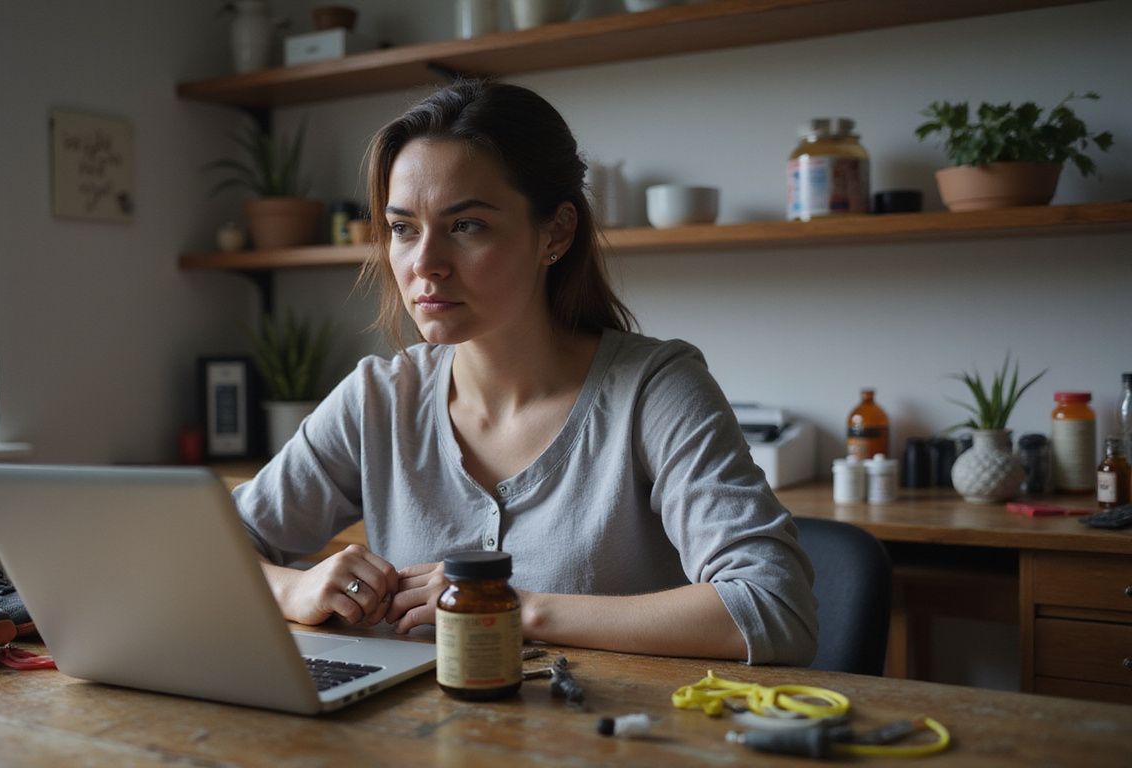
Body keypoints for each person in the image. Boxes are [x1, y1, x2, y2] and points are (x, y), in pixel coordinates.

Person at [233, 80, 816, 665]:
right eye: (404, 228)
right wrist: (294, 586)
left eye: (467, 226)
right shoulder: (379, 398)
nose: (425, 264)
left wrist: (506, 606)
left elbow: (772, 607)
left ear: (556, 232)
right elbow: (200, 550)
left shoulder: (655, 389)